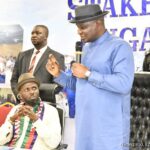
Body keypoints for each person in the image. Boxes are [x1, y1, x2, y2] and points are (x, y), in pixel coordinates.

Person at [46, 4, 134, 150]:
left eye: (83, 27)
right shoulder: (86, 48)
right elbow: (81, 85)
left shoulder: (119, 47)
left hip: (108, 130)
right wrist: (58, 74)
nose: (79, 32)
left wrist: (88, 74)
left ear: (98, 22)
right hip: (85, 127)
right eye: (78, 27)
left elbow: (124, 84)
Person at [0, 73, 61, 150]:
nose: (32, 92)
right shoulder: (15, 110)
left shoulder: (51, 111)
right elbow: (0, 141)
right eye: (27, 89)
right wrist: (11, 120)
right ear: (20, 95)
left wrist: (36, 120)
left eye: (34, 88)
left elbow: (54, 143)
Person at [11, 25, 65, 102]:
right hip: (21, 103)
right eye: (32, 33)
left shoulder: (57, 57)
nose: (34, 35)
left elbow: (59, 84)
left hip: (44, 104)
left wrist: (33, 96)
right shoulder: (22, 56)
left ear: (46, 36)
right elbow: (14, 80)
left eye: (38, 33)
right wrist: (19, 95)